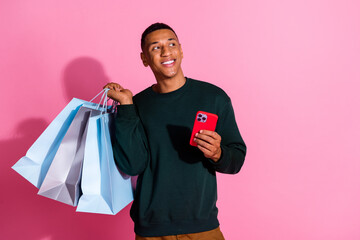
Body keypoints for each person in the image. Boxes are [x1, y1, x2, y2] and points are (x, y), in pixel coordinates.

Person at [104, 23, 246, 240]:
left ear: (180, 50)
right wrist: (125, 106)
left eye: (171, 44)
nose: (166, 52)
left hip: (202, 228)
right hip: (151, 230)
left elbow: (236, 159)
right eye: (155, 47)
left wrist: (218, 153)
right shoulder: (137, 105)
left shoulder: (213, 97)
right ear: (144, 59)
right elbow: (132, 165)